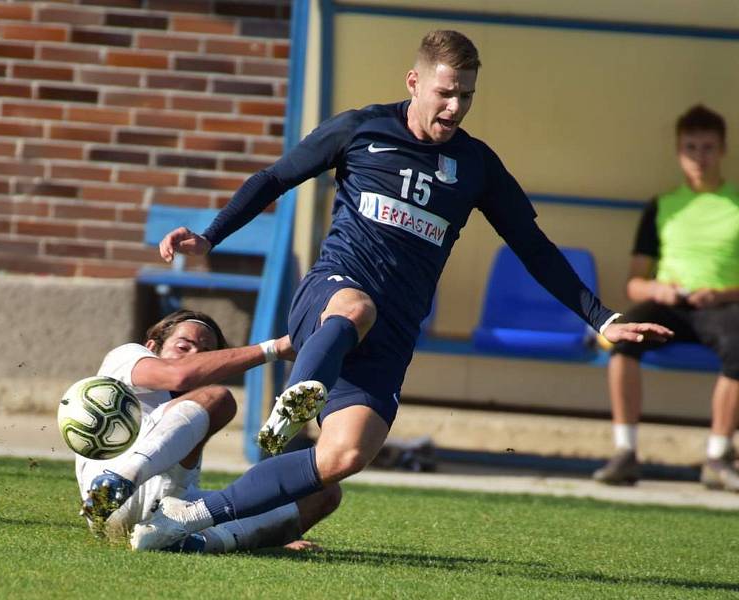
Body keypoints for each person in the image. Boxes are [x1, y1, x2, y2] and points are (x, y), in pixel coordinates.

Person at [91, 30, 672, 551]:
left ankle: (190, 521)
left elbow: (535, 247)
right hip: (331, 296)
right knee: (355, 305)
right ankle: (292, 402)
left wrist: (602, 318)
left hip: (392, 332)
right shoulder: (362, 128)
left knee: (344, 456)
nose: (454, 106)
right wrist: (211, 235)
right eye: (445, 92)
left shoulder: (476, 166)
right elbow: (276, 177)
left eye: (466, 95)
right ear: (414, 81)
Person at [77, 308, 341, 552]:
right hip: (112, 496)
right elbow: (180, 375)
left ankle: (200, 543)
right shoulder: (127, 357)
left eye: (206, 354)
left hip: (168, 511)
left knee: (322, 490)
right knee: (219, 399)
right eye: (183, 346)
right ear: (152, 347)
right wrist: (276, 348)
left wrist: (261, 534)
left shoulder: (193, 408)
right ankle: (117, 481)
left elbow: (177, 488)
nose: (195, 356)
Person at [593, 105, 739, 490]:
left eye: (707, 148)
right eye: (690, 147)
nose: (699, 157)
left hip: (722, 307)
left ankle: (718, 457)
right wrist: (658, 289)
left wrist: (720, 293)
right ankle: (625, 452)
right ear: (678, 151)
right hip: (668, 307)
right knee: (621, 336)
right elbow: (634, 284)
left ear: (722, 149)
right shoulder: (661, 206)